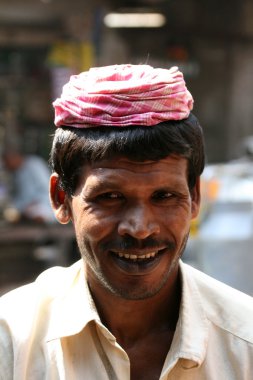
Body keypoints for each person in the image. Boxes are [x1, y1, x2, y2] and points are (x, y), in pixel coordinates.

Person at [0, 64, 252, 380]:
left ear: (194, 197)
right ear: (61, 198)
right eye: (110, 198)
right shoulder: (11, 342)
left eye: (164, 196)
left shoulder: (245, 342)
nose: (140, 228)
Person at [2, 148, 55, 223]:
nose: (6, 166)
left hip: (43, 203)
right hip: (24, 207)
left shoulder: (34, 164)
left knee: (39, 213)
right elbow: (17, 197)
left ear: (14, 157)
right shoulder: (16, 173)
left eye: (7, 162)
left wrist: (34, 202)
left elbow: (47, 188)